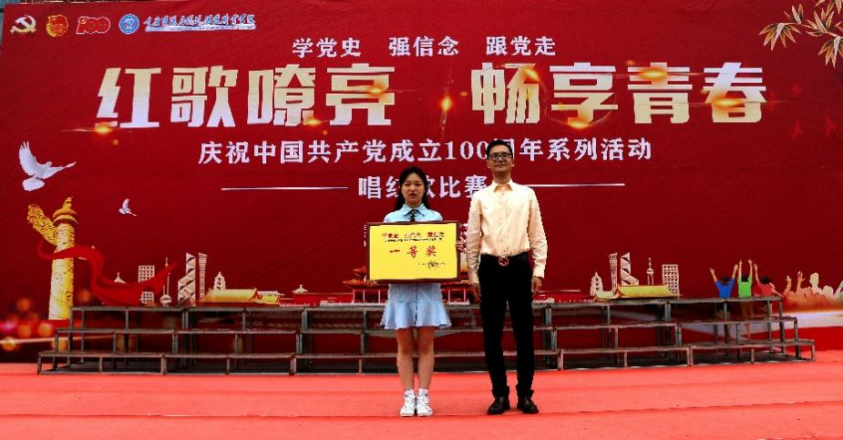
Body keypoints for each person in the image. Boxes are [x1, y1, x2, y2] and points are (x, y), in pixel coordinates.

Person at [465, 139, 548, 415]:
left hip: (519, 267)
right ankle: (499, 394)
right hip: (489, 269)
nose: (499, 159)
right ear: (487, 163)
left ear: (513, 161)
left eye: (504, 155)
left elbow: (537, 235)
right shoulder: (480, 197)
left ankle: (525, 394)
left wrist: (538, 270)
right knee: (492, 335)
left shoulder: (527, 194)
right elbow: (473, 239)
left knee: (524, 334)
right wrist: (473, 275)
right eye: (494, 156)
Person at [380, 166, 451, 417]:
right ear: (400, 188)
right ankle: (408, 396)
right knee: (403, 345)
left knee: (426, 345)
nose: (412, 188)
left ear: (425, 188)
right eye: (408, 184)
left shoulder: (435, 217)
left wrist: (452, 249)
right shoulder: (390, 219)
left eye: (418, 184)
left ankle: (424, 395)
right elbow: (382, 254)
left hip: (428, 291)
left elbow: (442, 252)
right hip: (401, 292)